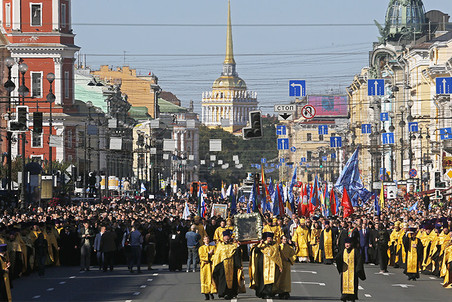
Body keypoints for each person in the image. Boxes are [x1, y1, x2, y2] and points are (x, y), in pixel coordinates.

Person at [250, 232, 282, 299]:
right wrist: (260, 244)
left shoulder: (275, 245)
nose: (269, 240)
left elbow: (278, 256)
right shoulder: (262, 245)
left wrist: (279, 265)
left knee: (270, 280)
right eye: (268, 238)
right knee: (262, 279)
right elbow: (255, 251)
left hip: (272, 266)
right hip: (262, 265)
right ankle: (261, 292)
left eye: (270, 238)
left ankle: (268, 293)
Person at [212, 229, 242, 300]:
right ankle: (223, 292)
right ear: (223, 237)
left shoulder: (233, 245)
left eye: (227, 236)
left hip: (232, 264)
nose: (226, 238)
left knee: (233, 279)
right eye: (225, 236)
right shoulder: (220, 246)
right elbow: (217, 256)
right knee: (223, 279)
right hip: (222, 265)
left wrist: (238, 247)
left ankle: (231, 293)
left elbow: (237, 254)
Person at [335, 237, 366, 302]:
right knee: (344, 284)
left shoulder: (355, 251)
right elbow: (338, 258)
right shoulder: (343, 251)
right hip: (345, 272)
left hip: (353, 273)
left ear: (351, 244)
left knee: (353, 285)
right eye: (346, 243)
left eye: (348, 243)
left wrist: (358, 270)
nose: (347, 245)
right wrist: (338, 261)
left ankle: (352, 298)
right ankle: (344, 297)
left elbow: (359, 260)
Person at [277, 235, 296, 300]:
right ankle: (280, 291)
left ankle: (286, 292)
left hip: (287, 265)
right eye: (284, 239)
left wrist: (289, 259)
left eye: (286, 239)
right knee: (280, 279)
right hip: (280, 265)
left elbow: (294, 255)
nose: (285, 240)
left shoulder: (290, 248)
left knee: (286, 279)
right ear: (281, 240)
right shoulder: (278, 247)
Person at [198, 236, 216, 300]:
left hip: (211, 265)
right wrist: (208, 254)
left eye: (207, 239)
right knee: (205, 279)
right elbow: (201, 256)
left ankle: (211, 293)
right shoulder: (201, 248)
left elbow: (215, 255)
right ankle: (206, 295)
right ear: (203, 240)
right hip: (205, 266)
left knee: (211, 279)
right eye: (205, 239)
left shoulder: (213, 247)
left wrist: (211, 258)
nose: (207, 240)